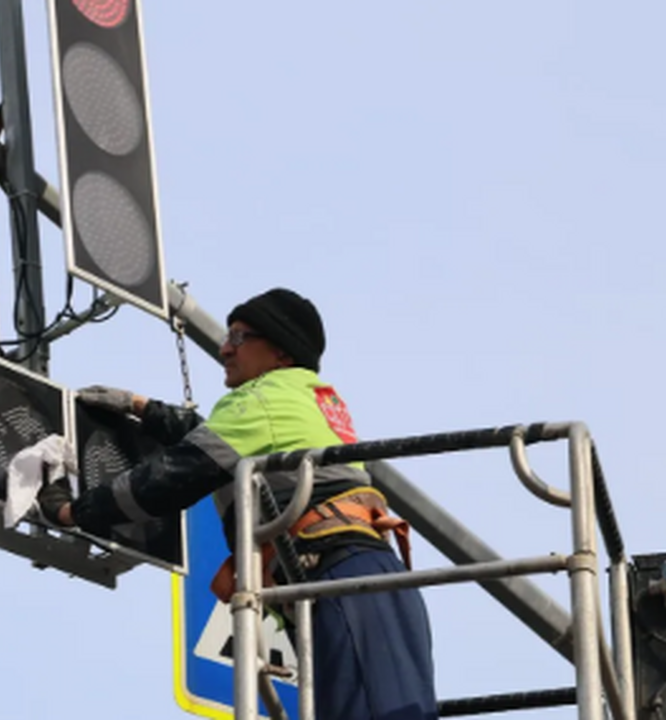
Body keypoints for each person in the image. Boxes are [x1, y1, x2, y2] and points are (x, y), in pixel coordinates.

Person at [39, 288, 437, 720]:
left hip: (341, 580)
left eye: (240, 337)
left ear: (281, 352)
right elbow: (222, 440)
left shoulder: (261, 401)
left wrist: (74, 512)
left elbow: (174, 475)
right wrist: (144, 408)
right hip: (373, 581)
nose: (225, 348)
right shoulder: (311, 398)